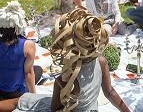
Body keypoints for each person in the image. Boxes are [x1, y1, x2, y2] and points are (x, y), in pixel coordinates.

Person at [2, 8, 131, 112]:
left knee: (23, 101)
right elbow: (109, 92)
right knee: (28, 99)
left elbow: (55, 109)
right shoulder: (101, 61)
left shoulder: (65, 80)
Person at [0, 1, 40, 109]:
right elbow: (28, 73)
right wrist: (33, 97)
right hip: (15, 92)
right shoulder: (28, 45)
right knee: (37, 70)